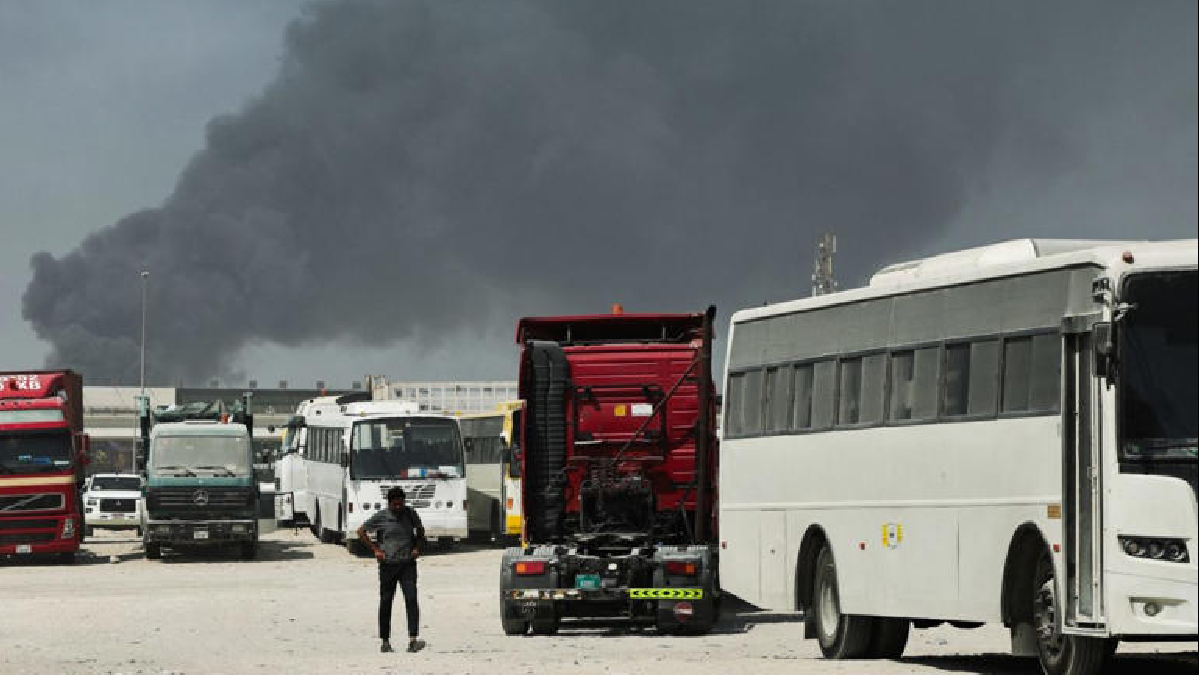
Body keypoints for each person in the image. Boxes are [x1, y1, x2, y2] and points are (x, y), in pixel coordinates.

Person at [358, 486, 427, 653]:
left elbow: (420, 530)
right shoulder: (381, 516)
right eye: (395, 505)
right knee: (386, 602)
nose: (398, 507)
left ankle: (412, 639)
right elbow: (361, 531)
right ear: (389, 503)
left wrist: (418, 547)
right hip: (388, 565)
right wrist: (375, 549)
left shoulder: (410, 513)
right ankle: (385, 641)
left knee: (411, 599)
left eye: (400, 504)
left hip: (407, 564)